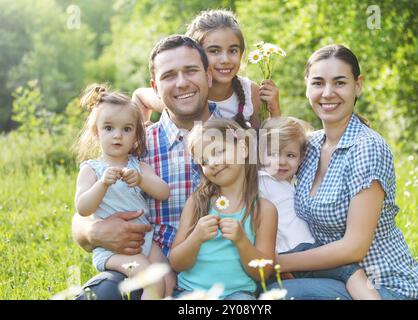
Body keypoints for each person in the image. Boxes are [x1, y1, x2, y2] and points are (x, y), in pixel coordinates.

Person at [270, 45, 418, 300]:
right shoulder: (310, 146)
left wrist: (279, 263)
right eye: (318, 83)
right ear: (307, 87)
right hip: (332, 276)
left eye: (340, 83)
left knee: (279, 295)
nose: (328, 93)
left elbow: (354, 248)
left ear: (358, 85)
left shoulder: (366, 148)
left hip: (384, 285)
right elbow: (272, 162)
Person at [72, 35, 223, 300]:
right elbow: (82, 212)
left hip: (220, 274)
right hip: (148, 266)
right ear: (156, 86)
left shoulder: (238, 138)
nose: (182, 82)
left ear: (209, 76)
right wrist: (92, 231)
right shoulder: (135, 145)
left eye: (191, 71)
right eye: (169, 75)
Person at [259, 116, 380, 299]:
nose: (281, 161)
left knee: (349, 272)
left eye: (290, 155)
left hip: (307, 251)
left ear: (301, 158)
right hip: (288, 253)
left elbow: (287, 136)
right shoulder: (260, 180)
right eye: (273, 154)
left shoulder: (290, 180)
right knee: (350, 271)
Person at [73, 84, 170, 299]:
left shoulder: (139, 166)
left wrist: (142, 180)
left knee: (168, 278)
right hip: (112, 250)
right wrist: (102, 185)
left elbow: (163, 192)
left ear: (136, 134)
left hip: (146, 242)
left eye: (126, 129)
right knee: (153, 280)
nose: (118, 135)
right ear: (96, 132)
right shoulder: (92, 169)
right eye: (109, 128)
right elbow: (82, 207)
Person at [169, 118, 277, 299]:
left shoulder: (264, 210)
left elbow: (263, 273)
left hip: (237, 294)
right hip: (192, 292)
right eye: (204, 161)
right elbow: (176, 263)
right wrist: (196, 237)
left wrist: (241, 241)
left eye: (218, 151)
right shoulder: (197, 203)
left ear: (243, 149)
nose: (211, 163)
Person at [133, 9, 281, 128]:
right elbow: (139, 96)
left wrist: (275, 110)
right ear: (196, 55)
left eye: (233, 50)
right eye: (214, 51)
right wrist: (142, 133)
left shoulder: (250, 93)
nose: (225, 60)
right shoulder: (186, 94)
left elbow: (262, 144)